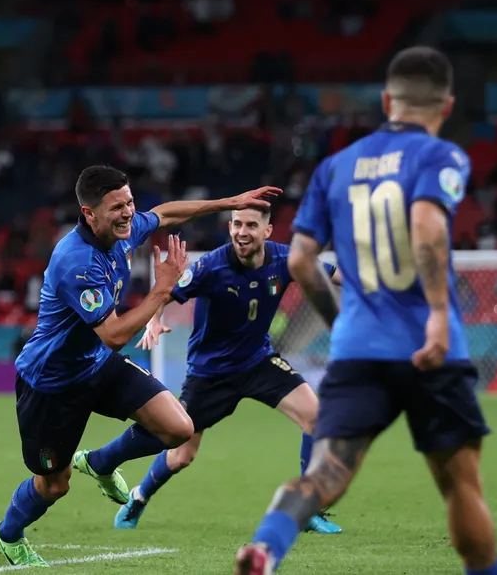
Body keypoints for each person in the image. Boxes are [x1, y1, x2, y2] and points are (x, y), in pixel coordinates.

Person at [235, 46, 497, 575]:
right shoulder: (440, 156)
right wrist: (433, 314)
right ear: (446, 106)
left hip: (358, 351)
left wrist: (343, 325)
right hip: (432, 348)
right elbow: (426, 225)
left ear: (387, 101)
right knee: (460, 487)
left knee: (325, 473)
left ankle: (267, 547)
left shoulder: (336, 166)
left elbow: (304, 262)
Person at [0, 165, 281, 567]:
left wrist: (228, 203)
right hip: (51, 384)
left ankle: (102, 461)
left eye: (129, 202)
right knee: (54, 486)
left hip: (96, 366)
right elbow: (112, 334)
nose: (128, 213)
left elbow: (166, 214)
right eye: (117, 207)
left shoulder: (122, 231)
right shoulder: (76, 261)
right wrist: (163, 289)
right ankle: (7, 535)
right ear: (90, 214)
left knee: (179, 427)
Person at [117, 206, 342, 534]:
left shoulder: (284, 258)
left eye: (251, 224)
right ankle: (139, 495)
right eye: (237, 223)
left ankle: (307, 508)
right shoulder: (212, 264)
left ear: (267, 231)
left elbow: (331, 273)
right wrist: (154, 321)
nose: (242, 231)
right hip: (211, 374)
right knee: (181, 456)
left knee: (315, 417)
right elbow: (166, 295)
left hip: (258, 361)